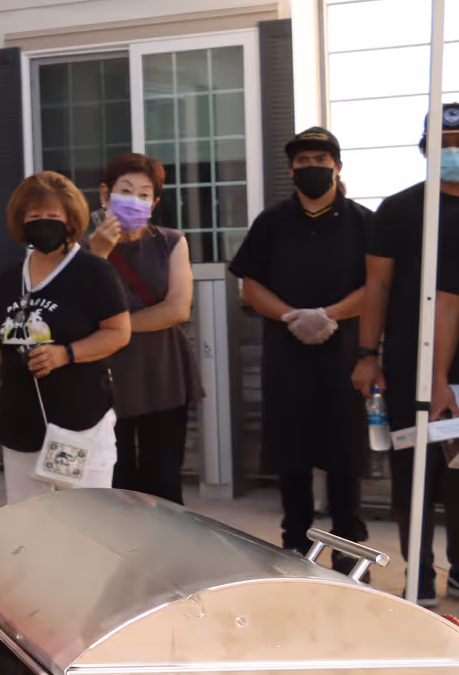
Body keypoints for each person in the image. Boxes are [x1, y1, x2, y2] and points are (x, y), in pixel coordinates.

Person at [229, 126, 371, 558]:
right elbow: (250, 287)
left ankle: (346, 547)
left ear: (338, 167)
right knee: (292, 454)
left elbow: (378, 286)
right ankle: (295, 542)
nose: (312, 168)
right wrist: (291, 316)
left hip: (346, 356)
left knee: (344, 454)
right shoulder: (272, 222)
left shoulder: (364, 222)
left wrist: (328, 315)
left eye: (321, 161)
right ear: (291, 168)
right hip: (287, 356)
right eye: (303, 161)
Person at [354, 106, 459, 604]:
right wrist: (365, 354)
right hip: (407, 363)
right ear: (425, 149)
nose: (453, 151)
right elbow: (376, 285)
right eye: (444, 142)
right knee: (412, 472)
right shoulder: (397, 210)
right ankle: (418, 572)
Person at [0, 172, 132, 505]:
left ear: (70, 220)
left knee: (86, 522)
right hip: (20, 425)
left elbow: (119, 333)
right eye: (34, 216)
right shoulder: (8, 278)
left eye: (52, 216)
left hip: (79, 424)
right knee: (28, 523)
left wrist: (67, 353)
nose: (43, 223)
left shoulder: (93, 272)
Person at [86, 152, 203, 503]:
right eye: (126, 190)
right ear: (105, 195)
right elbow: (80, 310)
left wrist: (114, 329)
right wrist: (99, 254)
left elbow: (177, 309)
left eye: (144, 194)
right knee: (116, 479)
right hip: (105, 377)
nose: (135, 200)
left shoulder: (171, 242)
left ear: (154, 203)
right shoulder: (83, 249)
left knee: (164, 478)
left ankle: (167, 554)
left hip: (162, 371)